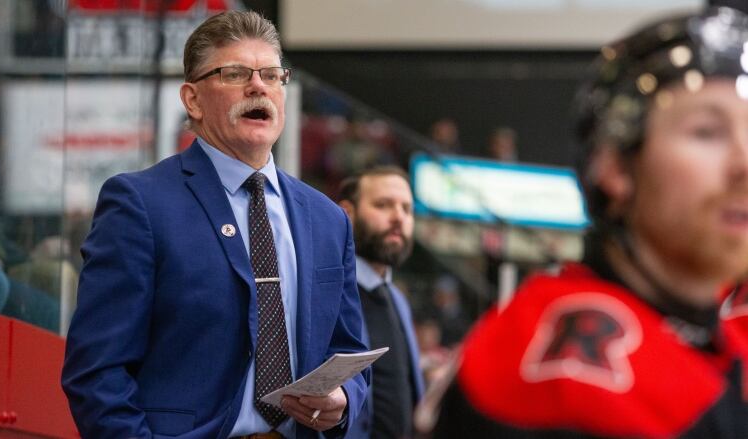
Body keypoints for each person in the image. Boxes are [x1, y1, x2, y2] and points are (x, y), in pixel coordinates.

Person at [434, 6, 748, 438]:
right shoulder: (575, 366)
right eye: (706, 132)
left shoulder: (703, 334)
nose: (744, 163)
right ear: (616, 167)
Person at [62, 11, 368, 439]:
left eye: (271, 75)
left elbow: (350, 352)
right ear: (193, 100)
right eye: (234, 73)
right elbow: (97, 372)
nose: (258, 86)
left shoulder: (328, 218)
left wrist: (345, 400)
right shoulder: (139, 204)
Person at [337, 166, 424, 439]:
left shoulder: (397, 299)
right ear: (348, 213)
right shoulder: (327, 291)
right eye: (383, 205)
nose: (398, 217)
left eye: (407, 209)